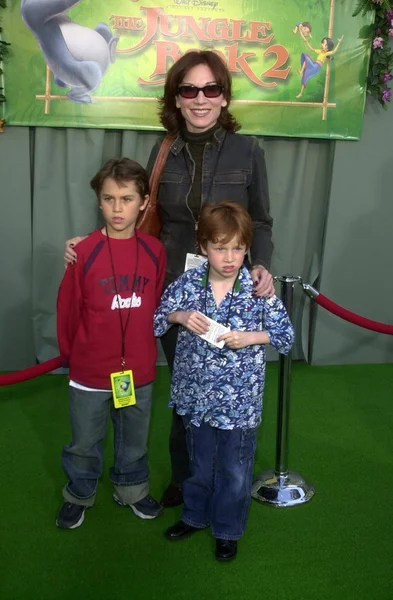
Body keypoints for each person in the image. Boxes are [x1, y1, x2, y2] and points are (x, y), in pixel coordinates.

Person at [64, 50, 275, 508]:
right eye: (189, 90)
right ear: (176, 99)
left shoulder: (249, 150)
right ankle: (186, 480)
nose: (200, 99)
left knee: (231, 389)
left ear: (223, 97)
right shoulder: (163, 151)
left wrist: (262, 265)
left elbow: (261, 221)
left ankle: (229, 479)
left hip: (233, 291)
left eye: (210, 89)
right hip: (179, 288)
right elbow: (138, 213)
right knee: (186, 389)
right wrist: (93, 241)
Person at [153, 202, 294, 562]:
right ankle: (195, 516)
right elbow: (157, 319)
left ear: (247, 248)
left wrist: (251, 337)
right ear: (203, 247)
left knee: (234, 469)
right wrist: (180, 315)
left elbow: (286, 336)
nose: (229, 257)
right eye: (219, 247)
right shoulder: (187, 283)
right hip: (195, 396)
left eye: (237, 247)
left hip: (239, 402)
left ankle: (228, 530)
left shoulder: (258, 290)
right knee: (198, 463)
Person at [56, 158, 166, 529]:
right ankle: (79, 493)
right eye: (108, 199)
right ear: (99, 201)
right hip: (90, 372)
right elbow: (68, 311)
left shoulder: (154, 251)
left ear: (144, 202)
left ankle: (132, 489)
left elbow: (156, 304)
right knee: (84, 443)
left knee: (134, 438)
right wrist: (76, 358)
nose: (117, 209)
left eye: (127, 198)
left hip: (138, 370)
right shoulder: (83, 252)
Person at [296, 34, 344, 98]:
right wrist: (306, 42)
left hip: (316, 67)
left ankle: (301, 72)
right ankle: (301, 92)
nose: (322, 45)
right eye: (322, 43)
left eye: (325, 44)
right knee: (305, 76)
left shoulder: (326, 53)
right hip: (314, 65)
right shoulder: (320, 52)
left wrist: (339, 42)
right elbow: (312, 49)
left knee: (306, 57)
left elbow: (333, 51)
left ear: (328, 48)